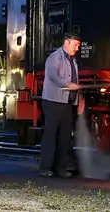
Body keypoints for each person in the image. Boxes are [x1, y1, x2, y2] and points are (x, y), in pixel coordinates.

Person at [38, 33, 82, 178]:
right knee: (51, 135)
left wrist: (78, 100)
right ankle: (45, 168)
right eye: (75, 45)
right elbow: (53, 76)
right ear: (66, 42)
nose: (77, 48)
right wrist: (68, 84)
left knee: (65, 137)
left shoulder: (72, 60)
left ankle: (61, 168)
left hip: (67, 103)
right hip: (53, 101)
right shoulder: (55, 57)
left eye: (78, 46)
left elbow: (76, 80)